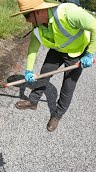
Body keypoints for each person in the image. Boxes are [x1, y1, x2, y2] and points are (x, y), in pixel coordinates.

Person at [11, 0, 96, 132]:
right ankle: (33, 101)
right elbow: (33, 48)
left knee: (68, 87)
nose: (28, 21)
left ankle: (57, 115)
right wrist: (28, 70)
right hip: (57, 50)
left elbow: (95, 25)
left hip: (77, 52)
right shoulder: (38, 26)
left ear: (37, 12)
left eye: (27, 16)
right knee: (43, 74)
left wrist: (90, 54)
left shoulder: (68, 12)